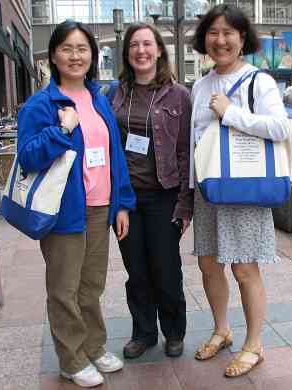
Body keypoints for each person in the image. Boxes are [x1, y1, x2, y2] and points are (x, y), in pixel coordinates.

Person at [17, 20, 136, 388]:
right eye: (67, 48)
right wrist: (62, 129)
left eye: (82, 49)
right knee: (64, 289)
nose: (75, 55)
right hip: (63, 211)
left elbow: (115, 154)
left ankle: (94, 346)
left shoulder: (98, 99)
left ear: (92, 55)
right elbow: (28, 157)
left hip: (101, 207)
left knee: (91, 285)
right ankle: (71, 359)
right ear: (53, 55)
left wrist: (121, 203)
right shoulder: (41, 105)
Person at [189, 4, 292, 377]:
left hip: (245, 188)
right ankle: (222, 330)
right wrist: (190, 189)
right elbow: (196, 140)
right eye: (213, 33)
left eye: (228, 33)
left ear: (242, 38)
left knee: (244, 267)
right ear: (205, 39)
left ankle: (254, 344)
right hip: (208, 189)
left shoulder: (257, 81)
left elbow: (281, 128)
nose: (221, 40)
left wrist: (232, 112)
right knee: (208, 263)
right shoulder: (200, 85)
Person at [108, 23, 193, 359]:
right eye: (134, 45)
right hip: (127, 198)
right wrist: (116, 203)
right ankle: (143, 332)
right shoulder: (113, 94)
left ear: (159, 50)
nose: (141, 51)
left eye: (147, 44)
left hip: (164, 196)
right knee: (137, 271)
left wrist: (185, 206)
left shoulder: (179, 96)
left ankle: (174, 331)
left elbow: (186, 153)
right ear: (127, 53)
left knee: (166, 268)